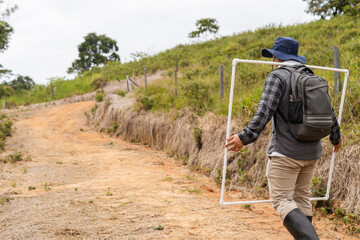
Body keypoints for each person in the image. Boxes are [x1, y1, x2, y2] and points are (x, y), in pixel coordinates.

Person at [225, 36, 342, 240]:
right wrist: (336, 138)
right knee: (302, 197)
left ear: (277, 57)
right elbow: (329, 112)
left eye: (272, 56)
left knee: (282, 200)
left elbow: (263, 113)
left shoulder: (277, 77)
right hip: (312, 152)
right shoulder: (312, 76)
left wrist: (243, 138)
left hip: (286, 153)